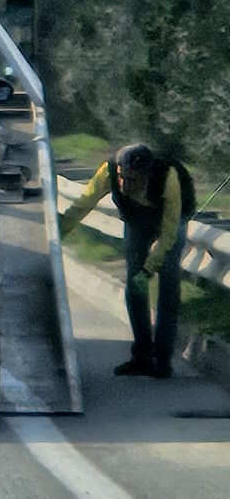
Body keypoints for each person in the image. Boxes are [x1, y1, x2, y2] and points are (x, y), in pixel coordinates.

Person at [59, 143, 194, 378]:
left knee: (168, 281)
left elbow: (169, 233)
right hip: (136, 220)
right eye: (122, 178)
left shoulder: (168, 177)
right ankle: (141, 356)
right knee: (134, 285)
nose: (125, 185)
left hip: (171, 218)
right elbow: (83, 204)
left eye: (133, 180)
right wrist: (56, 235)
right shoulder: (109, 171)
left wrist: (150, 268)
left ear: (147, 174)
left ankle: (162, 360)